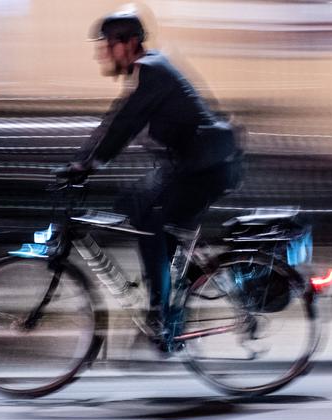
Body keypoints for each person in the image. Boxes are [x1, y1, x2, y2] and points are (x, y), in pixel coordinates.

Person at [58, 9, 243, 352]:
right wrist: (80, 162)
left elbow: (123, 125)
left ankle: (161, 314)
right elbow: (113, 121)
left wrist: (87, 164)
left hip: (207, 168)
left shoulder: (152, 71)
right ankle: (171, 302)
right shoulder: (148, 72)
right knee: (131, 204)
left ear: (129, 44)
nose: (104, 52)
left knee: (152, 225)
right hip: (192, 165)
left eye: (109, 45)